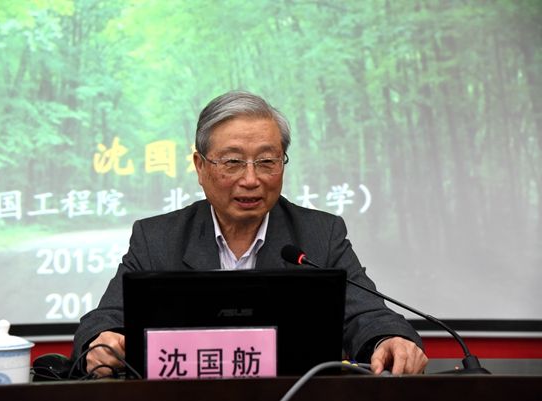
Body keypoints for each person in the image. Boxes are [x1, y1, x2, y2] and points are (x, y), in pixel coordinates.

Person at [73, 90, 428, 376]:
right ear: (200, 167)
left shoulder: (319, 234)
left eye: (266, 161)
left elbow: (368, 314)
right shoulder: (157, 238)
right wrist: (102, 342)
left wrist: (389, 339)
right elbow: (104, 320)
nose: (251, 179)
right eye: (232, 162)